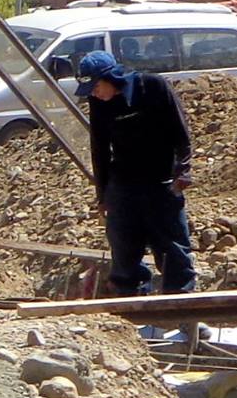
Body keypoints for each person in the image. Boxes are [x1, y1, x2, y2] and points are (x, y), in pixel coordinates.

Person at [75, 49, 196, 296]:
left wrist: (182, 172)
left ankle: (182, 311)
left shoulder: (153, 87)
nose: (94, 94)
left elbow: (181, 135)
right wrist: (103, 195)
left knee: (173, 249)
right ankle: (130, 308)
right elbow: (99, 149)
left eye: (96, 86)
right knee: (123, 247)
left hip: (162, 182)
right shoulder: (99, 103)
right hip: (123, 185)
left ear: (111, 77)